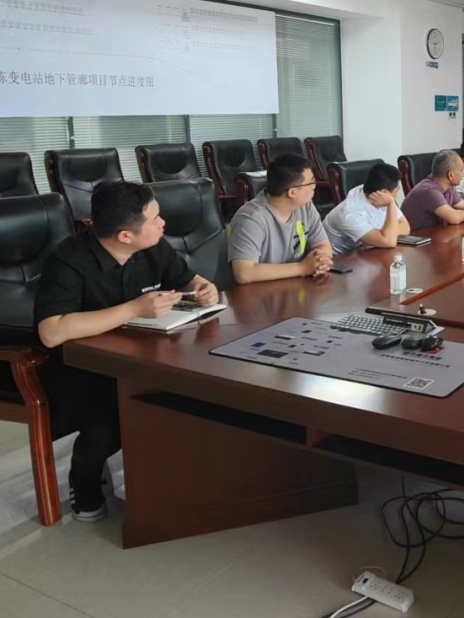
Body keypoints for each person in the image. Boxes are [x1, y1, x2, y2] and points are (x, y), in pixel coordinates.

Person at [34, 181, 220, 521]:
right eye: (155, 219)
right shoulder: (68, 260)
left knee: (190, 393)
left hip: (139, 353)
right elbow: (51, 332)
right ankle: (84, 482)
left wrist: (203, 287)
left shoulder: (153, 245)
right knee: (112, 418)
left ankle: (176, 482)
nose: (163, 223)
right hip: (78, 367)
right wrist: (134, 309)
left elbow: (187, 279)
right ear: (124, 236)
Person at [228, 153, 332, 284]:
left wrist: (320, 261)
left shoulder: (306, 207)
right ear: (292, 192)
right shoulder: (251, 218)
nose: (314, 186)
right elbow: (244, 273)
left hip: (294, 286)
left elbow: (322, 245)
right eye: (311, 182)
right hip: (257, 292)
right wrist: (302, 268)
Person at [323, 163, 410, 254]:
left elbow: (405, 227)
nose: (396, 195)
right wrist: (391, 203)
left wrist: (384, 233)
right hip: (338, 259)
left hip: (365, 252)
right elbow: (388, 241)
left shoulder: (377, 194)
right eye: (397, 190)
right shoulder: (349, 212)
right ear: (384, 192)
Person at [400, 149, 464, 230]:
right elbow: (454, 218)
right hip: (416, 235)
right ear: (451, 175)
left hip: (435, 233)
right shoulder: (429, 190)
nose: (463, 174)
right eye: (461, 171)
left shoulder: (449, 187)